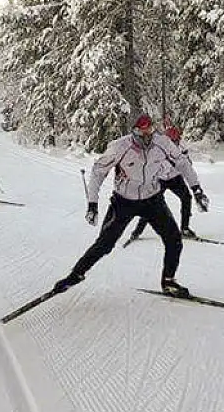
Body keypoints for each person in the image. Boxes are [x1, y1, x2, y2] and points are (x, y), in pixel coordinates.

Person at [52, 113, 210, 298]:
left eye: (150, 131)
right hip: (124, 201)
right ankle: (75, 275)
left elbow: (183, 163)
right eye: (142, 132)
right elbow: (98, 172)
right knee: (105, 244)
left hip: (152, 199)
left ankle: (169, 281)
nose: (146, 137)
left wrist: (196, 190)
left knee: (174, 239)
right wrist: (93, 204)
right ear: (133, 131)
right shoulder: (120, 146)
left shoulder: (162, 143)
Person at [126, 124, 201, 241]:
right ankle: (137, 231)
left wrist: (196, 188)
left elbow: (187, 167)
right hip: (160, 179)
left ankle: (185, 229)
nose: (175, 143)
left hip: (175, 178)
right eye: (173, 140)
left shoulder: (181, 148)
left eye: (176, 140)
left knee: (186, 198)